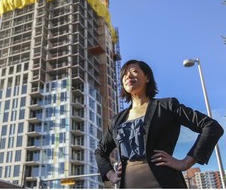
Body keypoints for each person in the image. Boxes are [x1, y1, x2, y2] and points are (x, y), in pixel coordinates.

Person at [95, 59, 224, 188]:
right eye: (124, 74)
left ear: (147, 78)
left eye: (134, 71)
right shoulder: (117, 120)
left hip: (165, 183)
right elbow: (100, 151)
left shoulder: (167, 106)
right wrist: (110, 174)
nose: (128, 76)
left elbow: (211, 126)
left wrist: (185, 163)